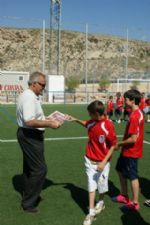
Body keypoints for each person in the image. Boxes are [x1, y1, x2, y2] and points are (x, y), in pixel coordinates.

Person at [16, 71, 61, 213]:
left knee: (30, 168)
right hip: (30, 135)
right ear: (34, 83)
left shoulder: (30, 96)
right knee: (40, 169)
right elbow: (29, 121)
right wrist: (50, 124)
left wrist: (48, 119)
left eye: (45, 85)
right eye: (42, 85)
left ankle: (29, 196)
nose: (44, 87)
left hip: (29, 134)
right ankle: (29, 202)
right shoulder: (29, 97)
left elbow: (34, 117)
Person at [69, 100, 117, 225]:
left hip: (103, 163)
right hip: (89, 160)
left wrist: (104, 162)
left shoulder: (108, 125)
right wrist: (75, 119)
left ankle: (101, 202)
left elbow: (114, 145)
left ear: (96, 113)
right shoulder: (92, 122)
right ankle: (91, 213)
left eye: (90, 114)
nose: (89, 116)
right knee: (91, 186)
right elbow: (86, 124)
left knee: (102, 186)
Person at [112, 89, 144, 211]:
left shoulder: (135, 116)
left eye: (126, 99)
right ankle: (124, 195)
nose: (124, 101)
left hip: (132, 152)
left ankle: (135, 203)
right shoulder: (136, 113)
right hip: (127, 151)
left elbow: (133, 139)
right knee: (119, 169)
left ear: (132, 100)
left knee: (133, 176)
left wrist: (119, 144)